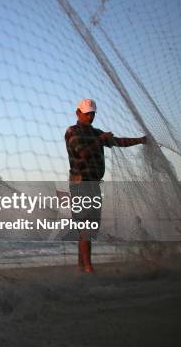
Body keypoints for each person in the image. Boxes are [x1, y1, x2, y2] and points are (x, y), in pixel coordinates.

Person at [65, 99, 147, 272]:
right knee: (85, 226)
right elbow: (83, 153)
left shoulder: (96, 132)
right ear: (78, 113)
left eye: (93, 113)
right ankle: (88, 267)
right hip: (80, 184)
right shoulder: (72, 131)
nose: (90, 116)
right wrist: (100, 140)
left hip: (93, 185)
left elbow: (118, 142)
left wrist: (140, 140)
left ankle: (83, 267)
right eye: (87, 113)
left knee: (89, 228)